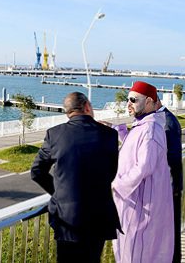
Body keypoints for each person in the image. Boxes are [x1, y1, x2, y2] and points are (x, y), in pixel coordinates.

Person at [31, 91, 121, 263]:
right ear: (87, 106)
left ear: (68, 112)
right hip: (98, 214)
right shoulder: (109, 135)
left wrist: (59, 193)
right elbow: (111, 172)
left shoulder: (54, 134)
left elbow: (36, 171)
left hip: (67, 217)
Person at [112, 81, 174, 263]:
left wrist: (117, 184)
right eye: (127, 100)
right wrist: (119, 131)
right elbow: (136, 150)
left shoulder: (150, 129)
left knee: (134, 254)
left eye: (133, 100)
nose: (128, 104)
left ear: (148, 101)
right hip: (136, 204)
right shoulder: (144, 126)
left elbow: (144, 166)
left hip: (139, 207)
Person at [156, 97, 183, 263]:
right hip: (169, 186)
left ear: (153, 101)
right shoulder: (164, 119)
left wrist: (171, 187)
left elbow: (172, 158)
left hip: (169, 188)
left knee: (171, 233)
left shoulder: (166, 122)